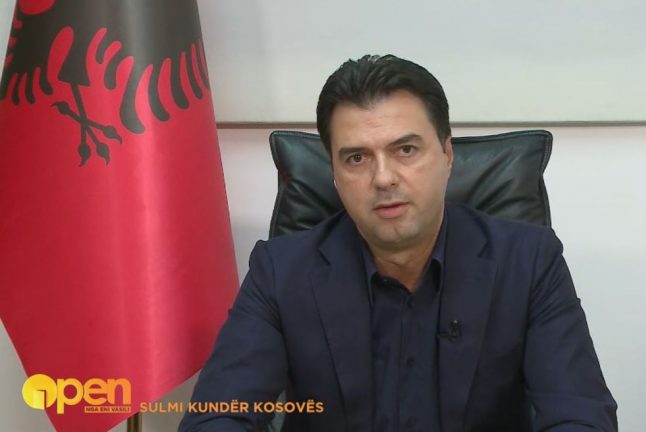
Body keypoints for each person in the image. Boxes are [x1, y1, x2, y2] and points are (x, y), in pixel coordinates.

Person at [179, 54, 617, 432]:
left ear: (447, 154)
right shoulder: (280, 272)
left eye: (405, 150)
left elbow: (581, 415)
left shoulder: (529, 262)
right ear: (334, 174)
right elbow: (217, 416)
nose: (383, 178)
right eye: (356, 158)